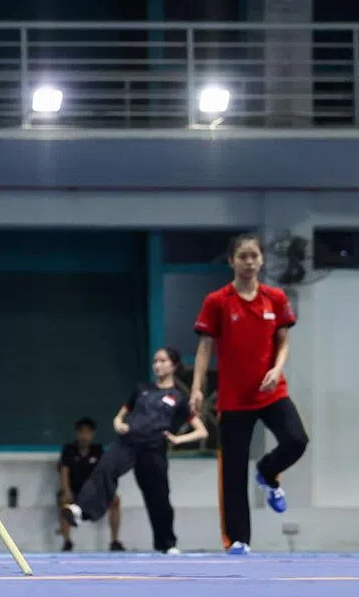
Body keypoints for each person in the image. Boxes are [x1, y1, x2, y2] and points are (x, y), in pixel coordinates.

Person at [190, 233, 309, 555]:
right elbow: (204, 347)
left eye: (254, 256)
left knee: (297, 440)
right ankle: (238, 540)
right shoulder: (217, 301)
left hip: (271, 392)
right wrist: (198, 388)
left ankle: (268, 473)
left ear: (262, 260)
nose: (249, 262)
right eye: (242, 256)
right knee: (232, 471)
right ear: (231, 261)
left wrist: (277, 368)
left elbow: (283, 341)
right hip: (233, 399)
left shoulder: (275, 298)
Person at [62, 347, 207, 554]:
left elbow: (202, 432)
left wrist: (178, 439)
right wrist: (118, 423)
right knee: (105, 468)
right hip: (128, 442)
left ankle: (167, 544)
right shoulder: (141, 389)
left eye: (162, 361)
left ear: (173, 365)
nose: (157, 365)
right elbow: (120, 415)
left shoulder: (178, 398)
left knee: (158, 498)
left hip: (154, 449)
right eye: (155, 361)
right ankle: (80, 510)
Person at [58, 418, 123, 551]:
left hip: (94, 493)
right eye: (82, 432)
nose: (84, 436)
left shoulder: (98, 451)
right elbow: (64, 471)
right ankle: (67, 541)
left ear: (93, 434)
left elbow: (105, 473)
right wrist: (66, 490)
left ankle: (115, 541)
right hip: (75, 492)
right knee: (63, 500)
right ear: (77, 433)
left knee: (115, 501)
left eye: (88, 432)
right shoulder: (69, 450)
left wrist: (111, 491)